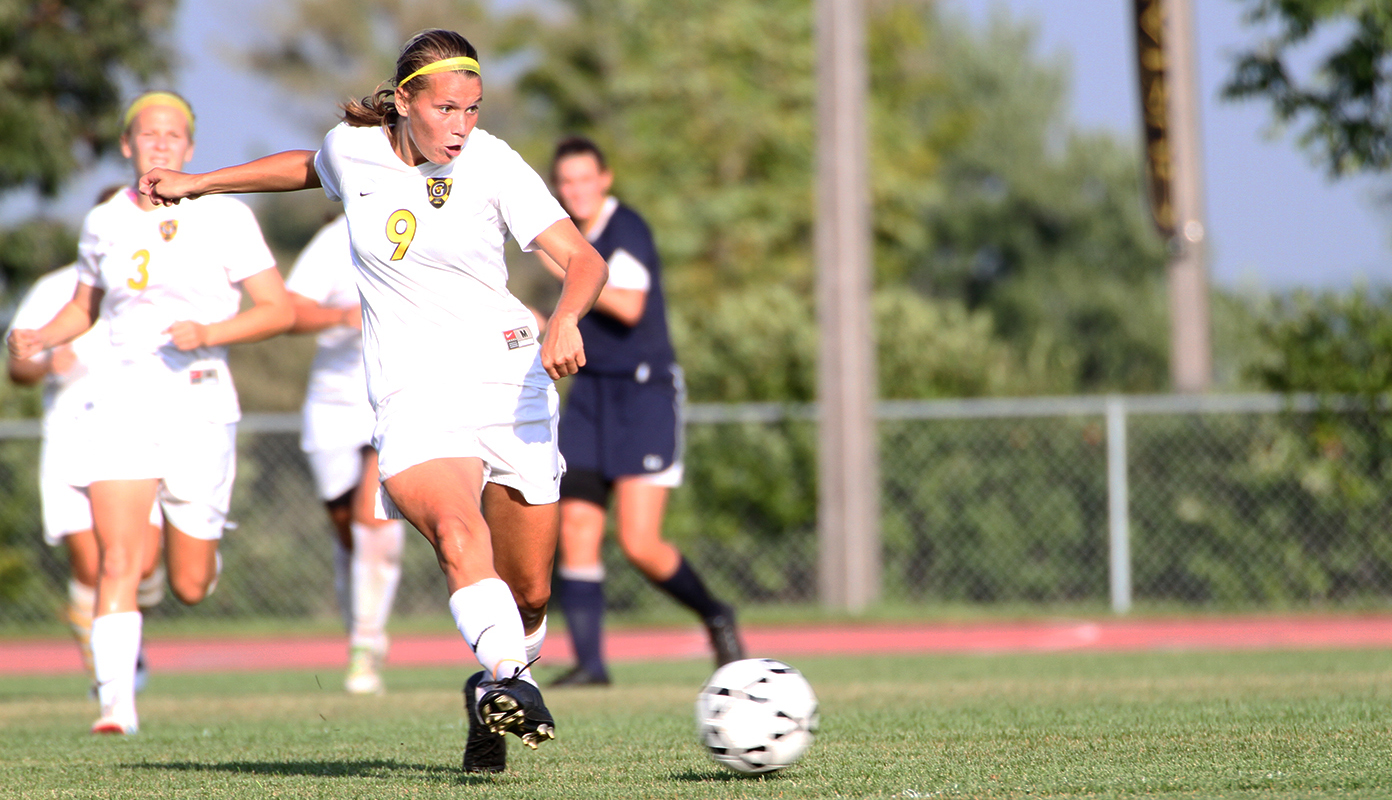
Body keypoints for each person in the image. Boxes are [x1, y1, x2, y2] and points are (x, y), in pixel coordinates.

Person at [138, 29, 608, 773]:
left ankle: (494, 678)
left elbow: (582, 258)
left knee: (528, 595)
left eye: (474, 109)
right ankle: (513, 682)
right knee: (457, 531)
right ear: (404, 101)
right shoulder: (352, 150)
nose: (463, 125)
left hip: (511, 383)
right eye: (448, 108)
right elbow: (305, 166)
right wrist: (200, 182)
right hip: (414, 394)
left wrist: (567, 316)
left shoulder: (492, 164)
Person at [7, 91, 295, 735]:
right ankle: (117, 705)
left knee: (190, 583)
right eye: (149, 134)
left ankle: (199, 551)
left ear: (189, 149)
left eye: (173, 135)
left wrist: (211, 333)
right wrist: (39, 339)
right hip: (120, 400)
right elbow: (83, 309)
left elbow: (278, 310)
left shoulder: (224, 216)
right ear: (127, 146)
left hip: (199, 402)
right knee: (119, 557)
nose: (160, 143)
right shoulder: (105, 220)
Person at [539, 138, 744, 687]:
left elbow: (628, 304)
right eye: (566, 181)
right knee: (576, 527)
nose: (575, 190)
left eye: (585, 179)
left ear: (604, 179)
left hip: (643, 396)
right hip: (589, 398)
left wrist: (571, 267)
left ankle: (716, 616)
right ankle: (590, 664)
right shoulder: (571, 239)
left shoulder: (624, 229)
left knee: (639, 543)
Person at [5, 187, 167, 695]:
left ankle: (111, 626)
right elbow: (19, 367)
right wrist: (47, 360)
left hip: (140, 433)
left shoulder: (162, 278)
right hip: (72, 439)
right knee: (95, 564)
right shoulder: (57, 288)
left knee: (139, 563)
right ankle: (113, 676)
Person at [284, 214, 405, 695]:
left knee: (373, 521)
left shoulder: (423, 218)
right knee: (346, 531)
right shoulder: (334, 237)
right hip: (334, 400)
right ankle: (365, 628)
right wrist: (340, 316)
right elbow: (290, 309)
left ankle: (364, 648)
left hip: (396, 396)